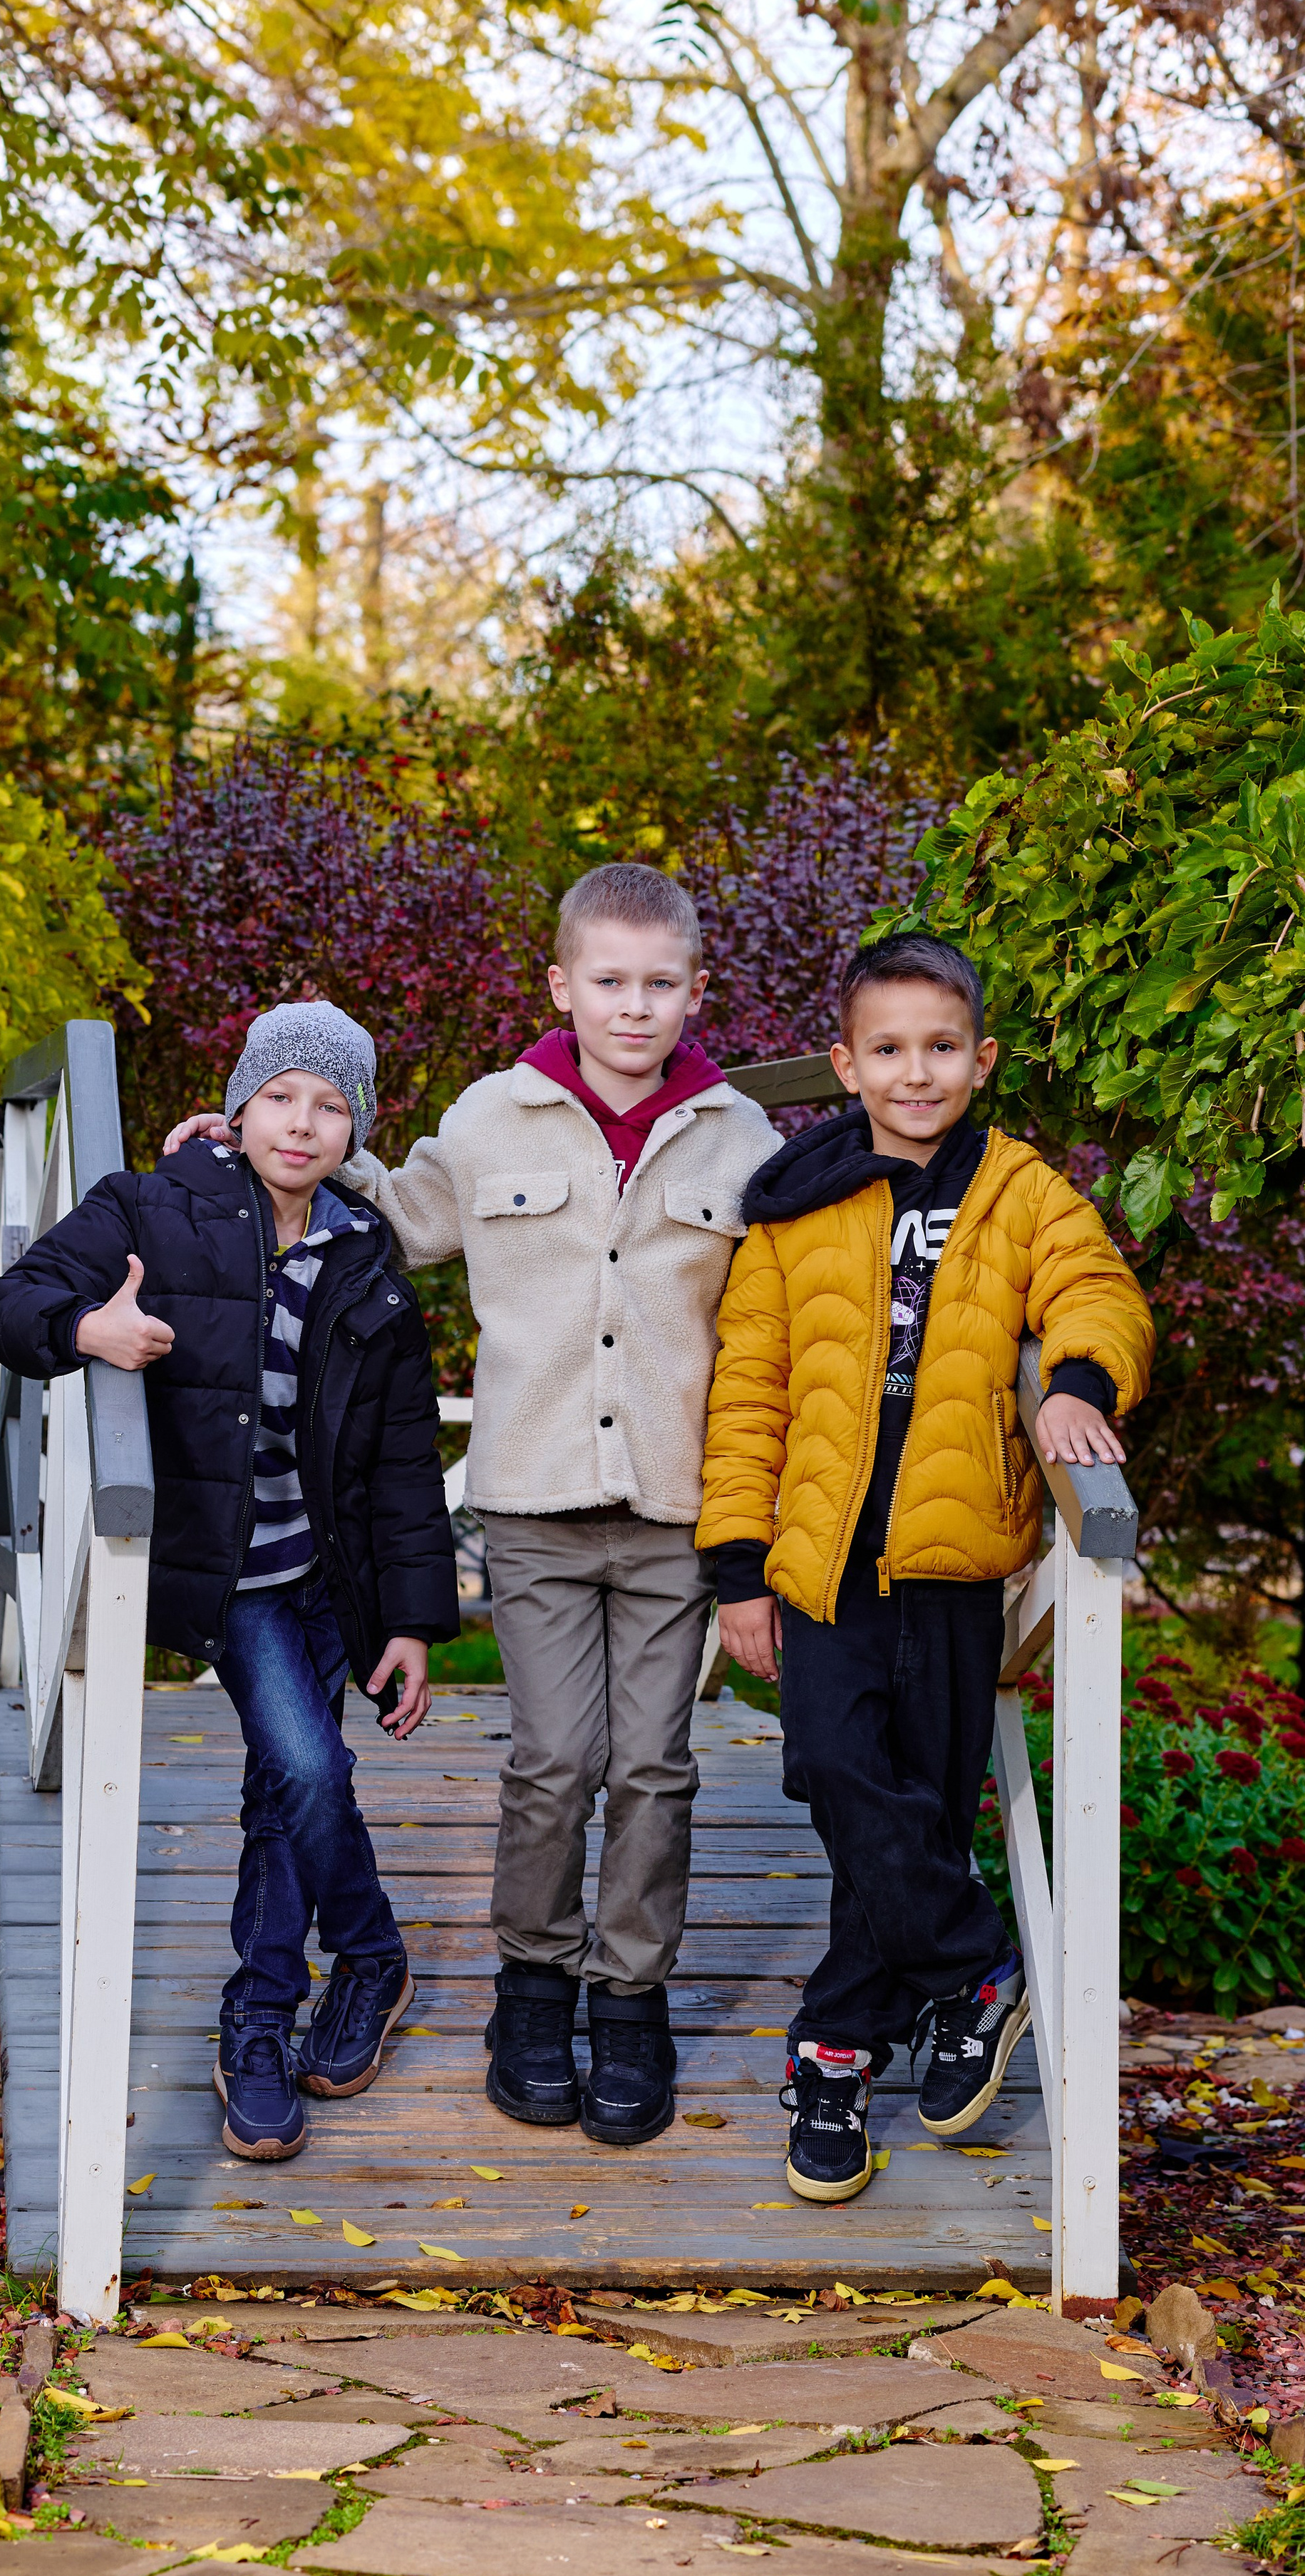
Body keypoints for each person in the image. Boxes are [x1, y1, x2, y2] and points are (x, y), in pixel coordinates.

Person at [163, 866, 779, 2146]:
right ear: (562, 986)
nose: (633, 1005)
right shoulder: (493, 1116)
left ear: (696, 992)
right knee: (554, 1762)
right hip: (535, 1505)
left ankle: (630, 2001)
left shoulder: (740, 1137)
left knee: (654, 1767)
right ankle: (534, 1990)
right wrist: (251, 1140)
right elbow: (388, 1205)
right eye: (608, 980)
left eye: (660, 983)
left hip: (677, 1509)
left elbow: (790, 1295)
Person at [697, 932, 1154, 2203]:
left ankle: (836, 2056)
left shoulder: (1021, 1191)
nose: (916, 1072)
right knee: (836, 1768)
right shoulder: (794, 1206)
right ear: (846, 1065)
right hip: (822, 1566)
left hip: (956, 1567)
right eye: (889, 1050)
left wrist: (1076, 1383)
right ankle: (974, 1969)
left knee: (923, 1807)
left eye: (941, 1048)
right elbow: (748, 1393)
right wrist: (737, 1568)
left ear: (981, 1058)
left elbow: (1101, 1292)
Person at [0, 1003, 459, 2165]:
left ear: (357, 1132)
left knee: (284, 1794)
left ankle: (266, 2019)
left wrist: (411, 1620)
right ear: (239, 1108)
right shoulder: (151, 1208)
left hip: (333, 1573)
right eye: (280, 1096)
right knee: (308, 1770)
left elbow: (403, 1456)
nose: (302, 1123)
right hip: (239, 1574)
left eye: (332, 1105)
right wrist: (91, 1330)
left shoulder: (364, 1255)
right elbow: (10, 1308)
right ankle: (360, 1954)